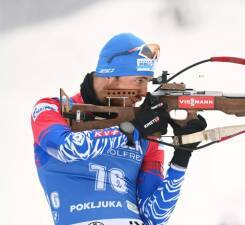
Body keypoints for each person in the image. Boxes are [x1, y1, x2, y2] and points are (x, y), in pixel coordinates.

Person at [31, 33, 207, 225]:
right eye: (139, 80)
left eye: (147, 82)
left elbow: (154, 217)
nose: (143, 92)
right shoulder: (52, 109)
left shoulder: (145, 133)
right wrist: (134, 129)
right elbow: (67, 148)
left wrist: (182, 157)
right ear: (110, 75)